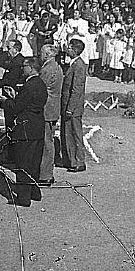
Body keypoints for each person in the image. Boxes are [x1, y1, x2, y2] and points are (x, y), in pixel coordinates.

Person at [0, 56, 48, 205]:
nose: (22, 69)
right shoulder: (40, 84)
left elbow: (17, 107)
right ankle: (34, 192)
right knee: (34, 162)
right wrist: (15, 97)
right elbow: (30, 103)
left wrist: (6, 101)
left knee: (23, 163)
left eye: (24, 66)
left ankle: (24, 197)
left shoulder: (29, 85)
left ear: (31, 68)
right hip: (37, 126)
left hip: (25, 128)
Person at [60, 38, 87, 173]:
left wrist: (70, 108)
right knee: (68, 133)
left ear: (75, 50)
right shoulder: (73, 64)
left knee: (75, 134)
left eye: (69, 47)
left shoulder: (79, 66)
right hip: (68, 106)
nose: (67, 49)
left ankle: (79, 161)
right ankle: (71, 160)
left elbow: (76, 89)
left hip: (73, 108)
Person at [38, 44, 64, 186]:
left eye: (42, 53)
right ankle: (46, 173)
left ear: (47, 55)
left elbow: (40, 88)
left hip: (47, 109)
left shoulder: (49, 68)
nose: (39, 55)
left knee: (46, 143)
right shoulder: (55, 66)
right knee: (49, 141)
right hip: (52, 108)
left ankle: (45, 174)